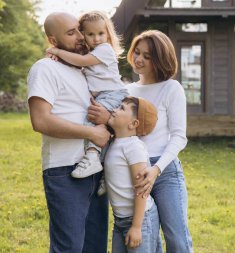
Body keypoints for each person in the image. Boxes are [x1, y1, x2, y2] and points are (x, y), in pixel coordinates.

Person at [88, 30, 193, 253]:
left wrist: (156, 169)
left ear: (160, 59)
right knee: (145, 232)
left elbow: (178, 137)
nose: (139, 59)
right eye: (137, 52)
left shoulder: (171, 88)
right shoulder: (126, 90)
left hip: (163, 171)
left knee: (177, 239)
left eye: (147, 56)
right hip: (132, 169)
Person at [27, 12, 110, 253]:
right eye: (71, 33)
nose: (81, 37)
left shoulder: (83, 71)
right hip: (65, 170)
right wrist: (92, 134)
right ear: (54, 41)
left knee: (94, 247)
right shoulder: (44, 69)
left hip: (95, 170)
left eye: (79, 30)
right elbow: (40, 120)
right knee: (70, 248)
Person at [46, 11, 129, 195]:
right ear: (83, 35)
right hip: (105, 95)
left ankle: (91, 156)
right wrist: (57, 58)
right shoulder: (92, 52)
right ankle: (110, 175)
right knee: (109, 136)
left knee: (92, 119)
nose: (97, 38)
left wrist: (57, 51)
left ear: (108, 34)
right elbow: (76, 64)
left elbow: (82, 61)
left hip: (112, 94)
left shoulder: (105, 50)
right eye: (90, 34)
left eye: (101, 33)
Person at [105, 96, 162, 253]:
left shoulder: (133, 147)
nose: (114, 110)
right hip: (120, 221)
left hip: (140, 220)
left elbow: (141, 189)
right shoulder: (113, 143)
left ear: (133, 124)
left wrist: (136, 227)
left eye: (122, 108)